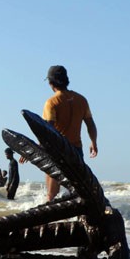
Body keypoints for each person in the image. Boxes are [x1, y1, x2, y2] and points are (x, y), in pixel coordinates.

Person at [38, 65, 98, 202]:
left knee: (51, 194)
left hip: (57, 151)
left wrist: (36, 147)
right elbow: (90, 124)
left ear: (51, 82)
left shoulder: (52, 103)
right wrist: (93, 143)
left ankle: (49, 218)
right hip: (76, 150)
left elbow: (47, 130)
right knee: (79, 191)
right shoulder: (81, 100)